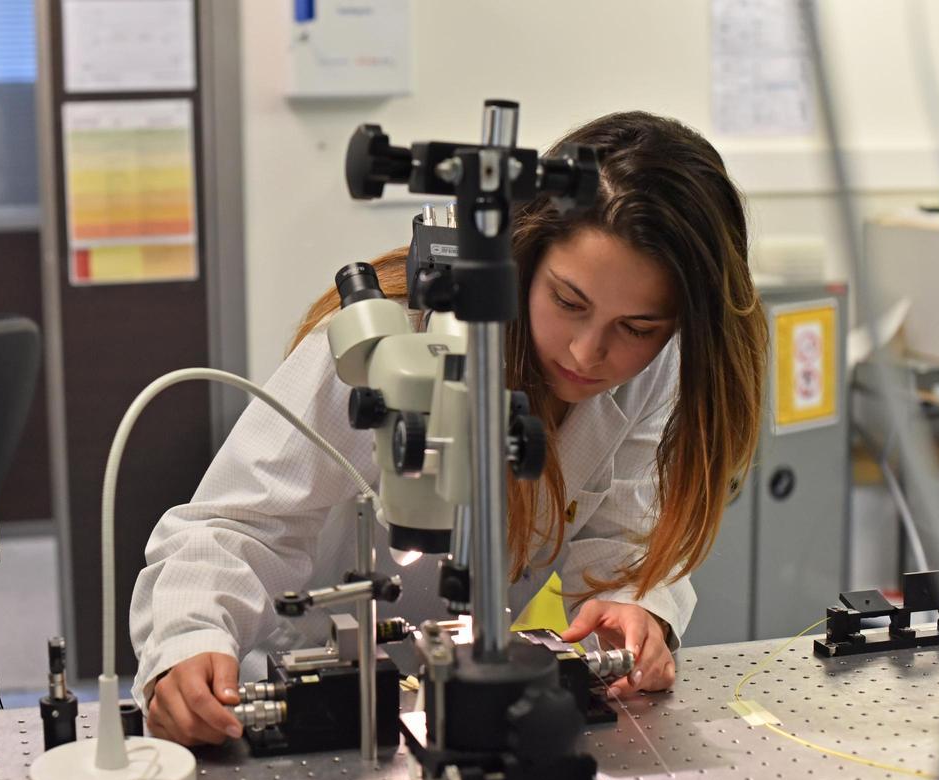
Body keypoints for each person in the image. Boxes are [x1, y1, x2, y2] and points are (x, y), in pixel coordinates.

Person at [129, 111, 768, 746]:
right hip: (291, 699)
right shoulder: (386, 346)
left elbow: (625, 544)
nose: (585, 353)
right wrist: (188, 641)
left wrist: (634, 609)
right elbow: (235, 527)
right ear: (522, 258)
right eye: (568, 302)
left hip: (466, 708)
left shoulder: (652, 371)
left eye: (636, 328)